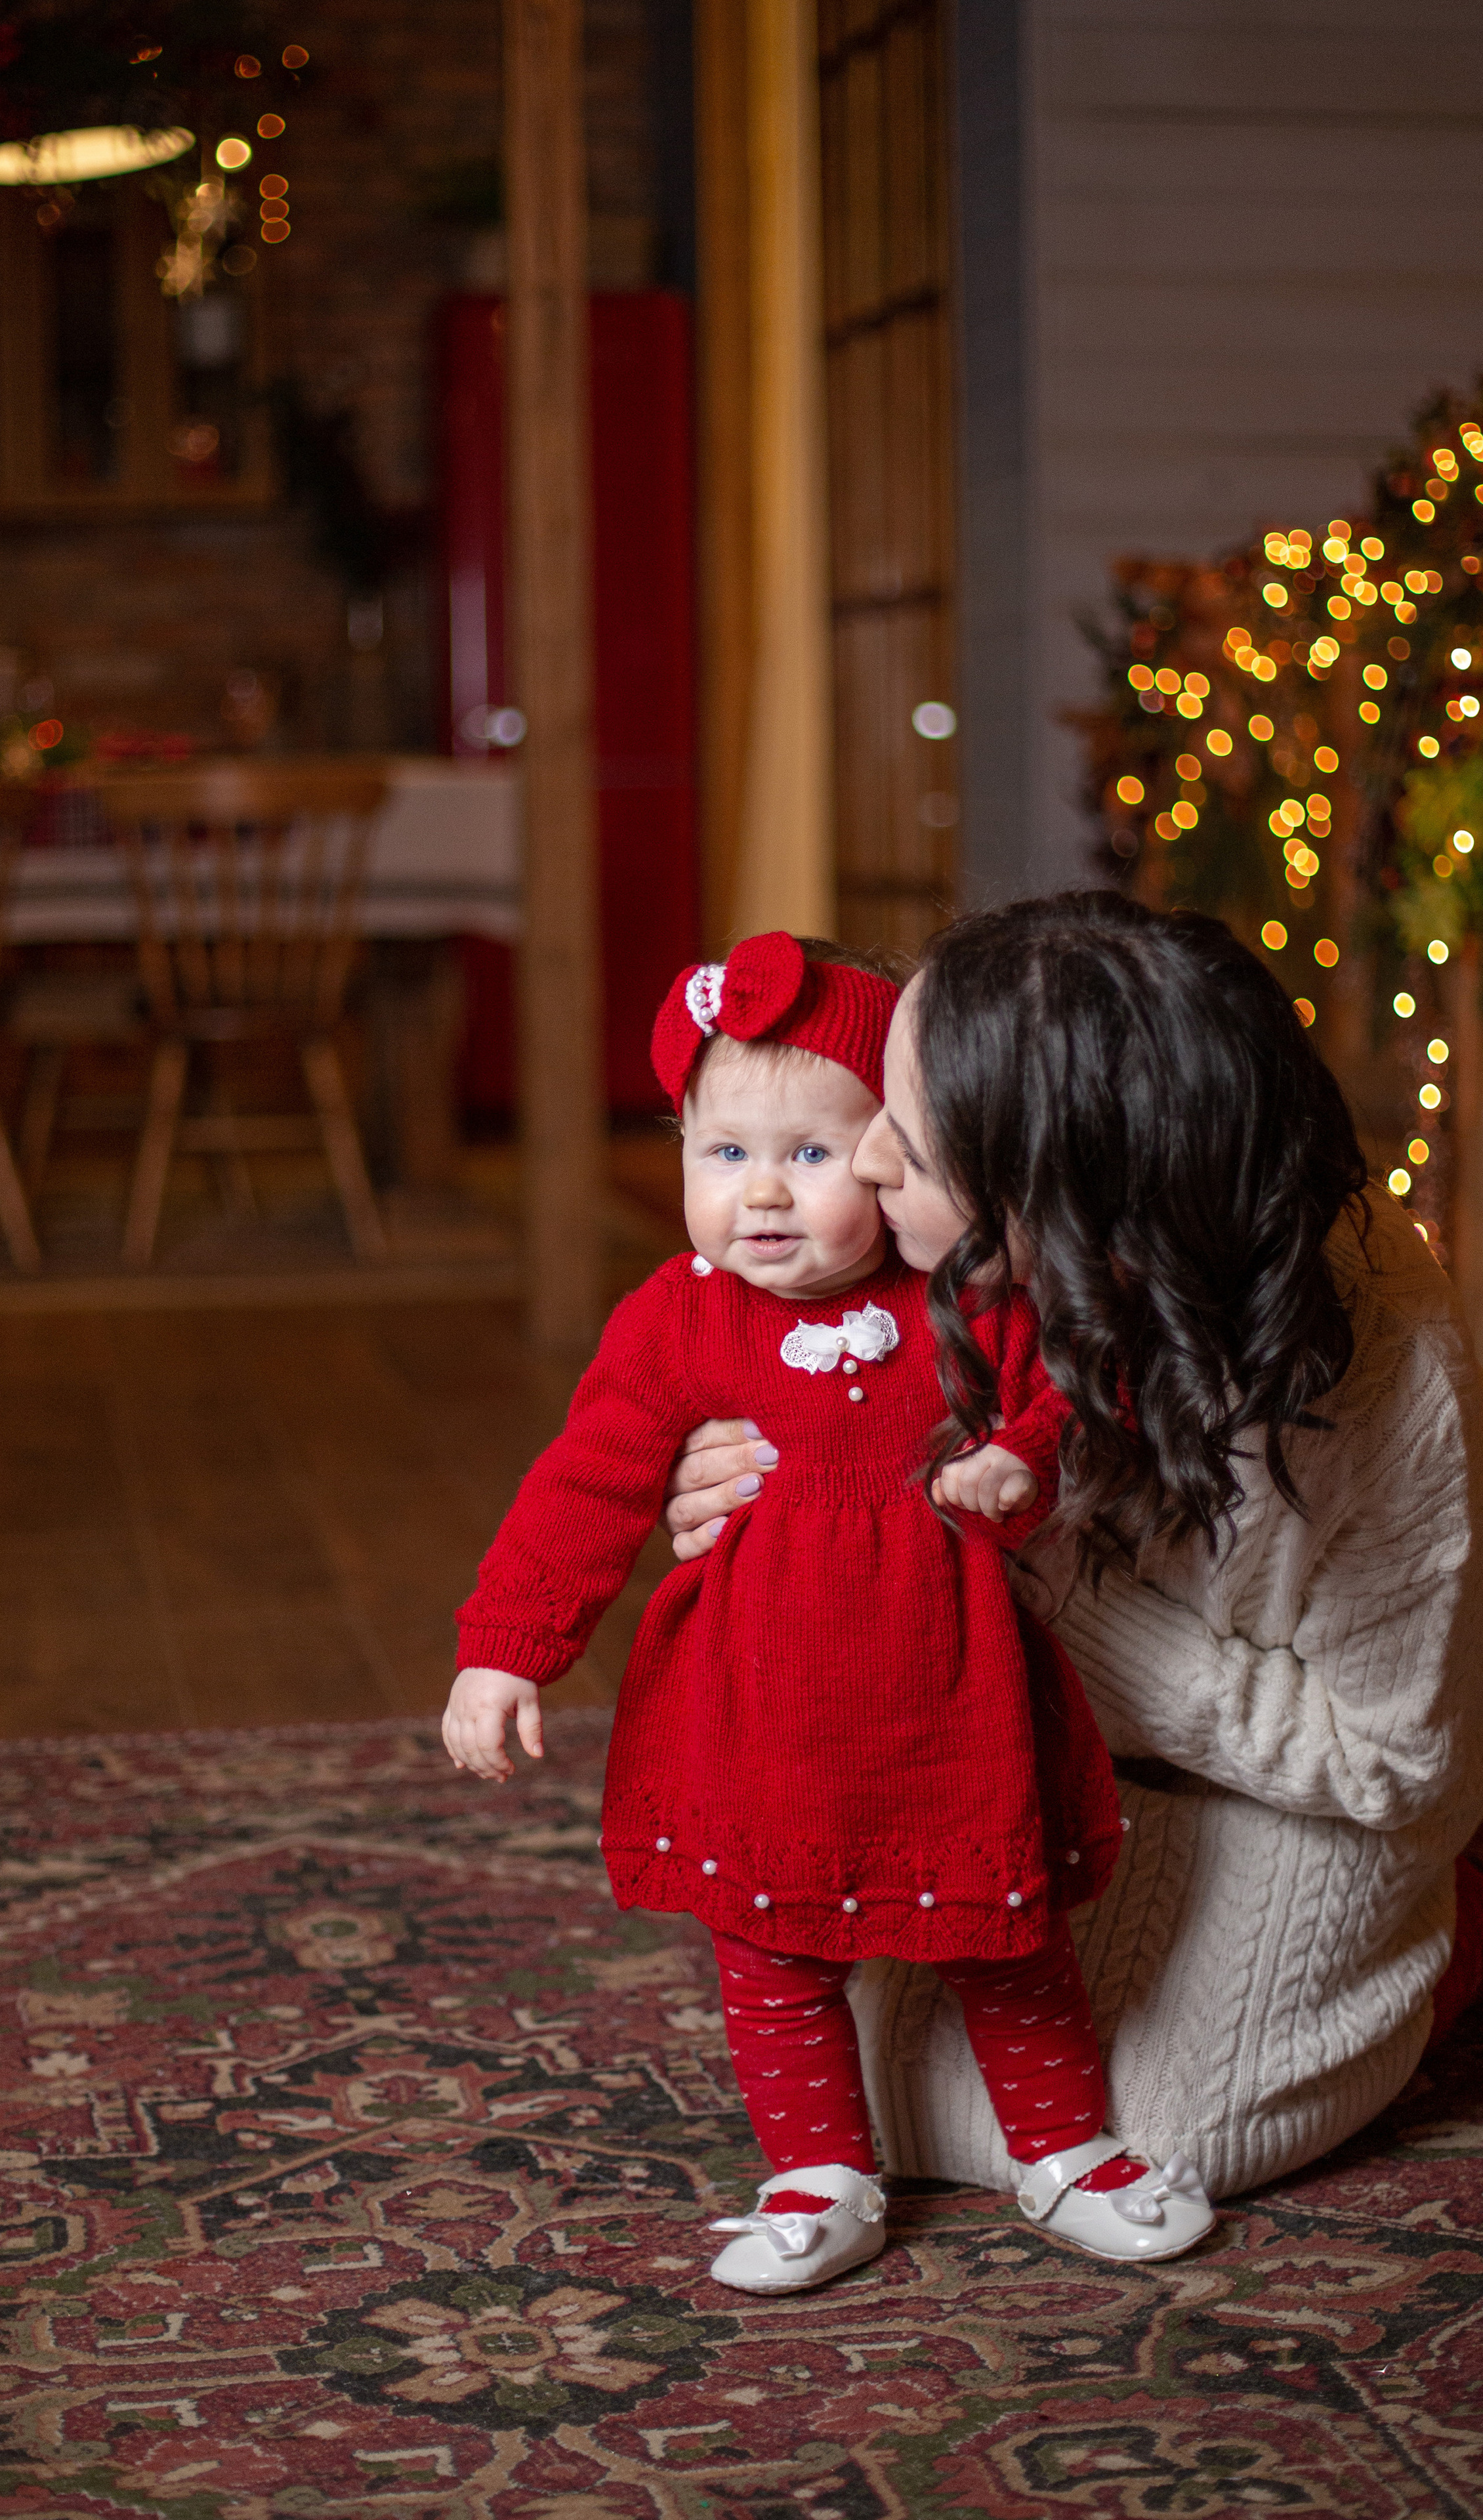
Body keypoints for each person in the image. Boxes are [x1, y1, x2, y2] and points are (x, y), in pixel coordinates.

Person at [661, 893, 1483, 2203]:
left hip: (1307, 1776)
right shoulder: (958, 1250)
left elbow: (1394, 1759)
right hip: (1013, 1724)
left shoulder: (1386, 1394)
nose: (856, 1169)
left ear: (1070, 1220)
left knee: (1163, 2141)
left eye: (903, 1154)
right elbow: (745, 1378)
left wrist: (1013, 1589)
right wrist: (751, 1484)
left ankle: (1454, 1934)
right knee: (849, 2090)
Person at [441, 930, 1217, 2294]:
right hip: (758, 1702)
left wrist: (1015, 1458)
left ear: (887, 1158)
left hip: (950, 1685)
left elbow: (1068, 1392)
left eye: (811, 1154)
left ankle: (1063, 2149)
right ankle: (817, 2170)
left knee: (1005, 1933)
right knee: (771, 1948)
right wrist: (506, 1653)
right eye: (721, 1153)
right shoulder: (677, 1321)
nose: (762, 1197)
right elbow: (586, 1484)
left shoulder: (960, 1298)